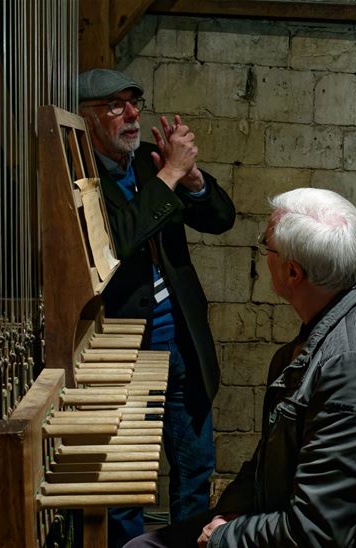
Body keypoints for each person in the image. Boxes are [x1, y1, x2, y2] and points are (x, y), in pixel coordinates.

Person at [126, 188, 356, 548]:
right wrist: (229, 513)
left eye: (265, 245)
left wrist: (225, 536)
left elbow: (318, 533)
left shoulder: (355, 369)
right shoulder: (343, 310)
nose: (262, 253)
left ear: (292, 272)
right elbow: (275, 457)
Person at [78, 68, 236, 547]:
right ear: (85, 118)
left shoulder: (149, 164)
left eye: (134, 102)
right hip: (123, 352)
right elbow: (118, 241)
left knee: (195, 467)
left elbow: (221, 218)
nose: (131, 114)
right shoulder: (82, 177)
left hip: (182, 343)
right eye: (114, 105)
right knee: (125, 486)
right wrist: (169, 174)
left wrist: (190, 179)